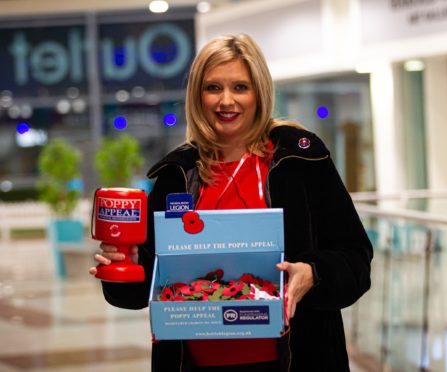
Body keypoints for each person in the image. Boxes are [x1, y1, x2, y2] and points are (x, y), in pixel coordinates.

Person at [90, 34, 373, 372]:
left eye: (240, 87)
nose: (226, 101)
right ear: (197, 95)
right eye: (213, 88)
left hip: (296, 359)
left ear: (259, 92)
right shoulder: (176, 174)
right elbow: (144, 290)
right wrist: (122, 265)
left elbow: (355, 257)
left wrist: (313, 273)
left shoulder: (300, 160)